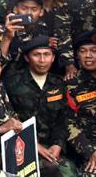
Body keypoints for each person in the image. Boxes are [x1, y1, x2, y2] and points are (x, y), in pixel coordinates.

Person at [5, 36, 77, 176]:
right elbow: (7, 117)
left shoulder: (59, 84)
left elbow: (63, 120)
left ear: (53, 58)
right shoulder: (12, 83)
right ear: (27, 58)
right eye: (37, 55)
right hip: (21, 146)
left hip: (51, 148)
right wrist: (33, 144)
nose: (42, 60)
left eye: (46, 55)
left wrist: (57, 145)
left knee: (69, 171)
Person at [27, 0, 76, 78]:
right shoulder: (28, 7)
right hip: (35, 62)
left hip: (62, 62)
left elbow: (67, 36)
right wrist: (44, 41)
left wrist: (69, 64)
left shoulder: (65, 6)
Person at [66, 31, 96, 176]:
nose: (88, 55)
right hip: (92, 151)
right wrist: (91, 151)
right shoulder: (71, 86)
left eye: (94, 51)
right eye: (83, 51)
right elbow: (67, 125)